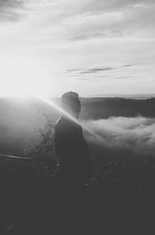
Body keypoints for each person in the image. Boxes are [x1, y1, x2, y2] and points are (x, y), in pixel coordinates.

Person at [53, 91, 91, 232]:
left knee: (67, 217)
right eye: (76, 103)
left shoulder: (66, 123)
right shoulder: (68, 125)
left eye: (78, 103)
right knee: (72, 218)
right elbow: (73, 153)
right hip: (71, 176)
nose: (79, 106)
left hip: (68, 175)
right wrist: (84, 170)